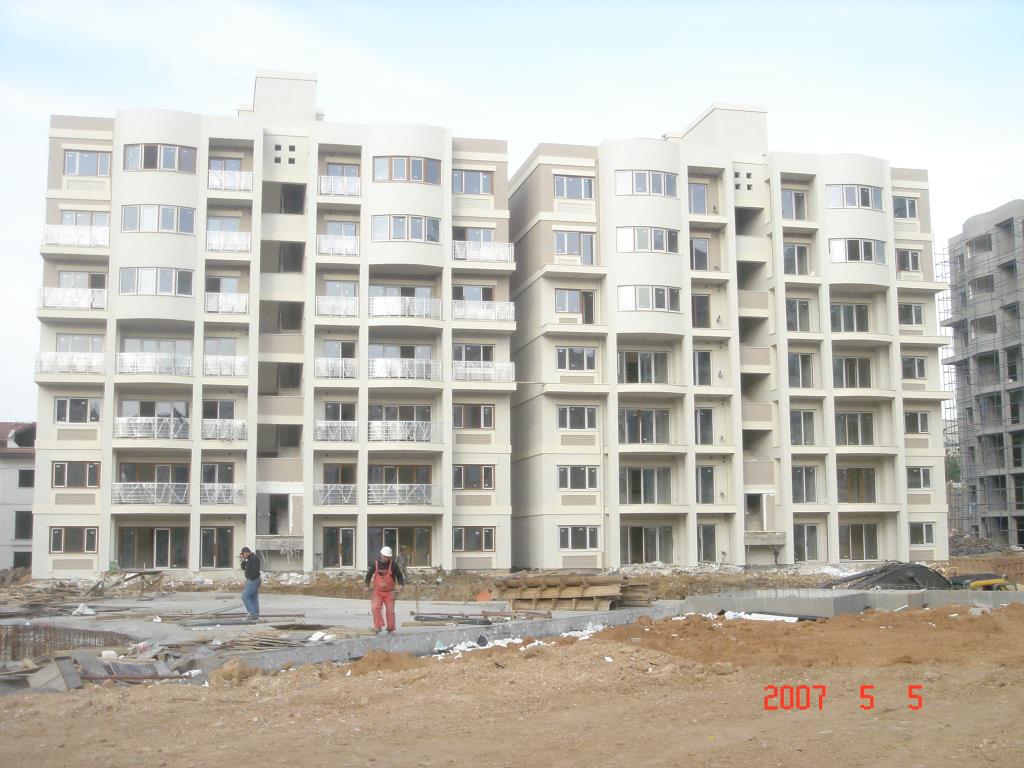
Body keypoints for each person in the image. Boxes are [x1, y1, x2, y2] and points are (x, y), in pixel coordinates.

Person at [364, 546, 404, 634]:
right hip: (377, 592)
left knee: (390, 611)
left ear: (390, 557)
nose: (385, 558)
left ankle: (390, 629)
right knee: (375, 608)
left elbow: (399, 575)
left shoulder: (393, 565)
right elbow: (369, 575)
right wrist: (366, 585)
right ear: (381, 555)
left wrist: (401, 584)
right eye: (384, 556)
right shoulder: (375, 563)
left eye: (387, 557)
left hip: (390, 592)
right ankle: (378, 626)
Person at [239, 546, 261, 620]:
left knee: (245, 596)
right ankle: (255, 614)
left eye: (243, 554)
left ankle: (252, 613)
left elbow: (255, 571)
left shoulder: (254, 558)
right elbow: (243, 567)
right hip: (252, 579)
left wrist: (250, 577)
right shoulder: (249, 559)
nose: (243, 556)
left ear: (246, 552)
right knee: (253, 597)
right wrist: (243, 561)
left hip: (253, 580)